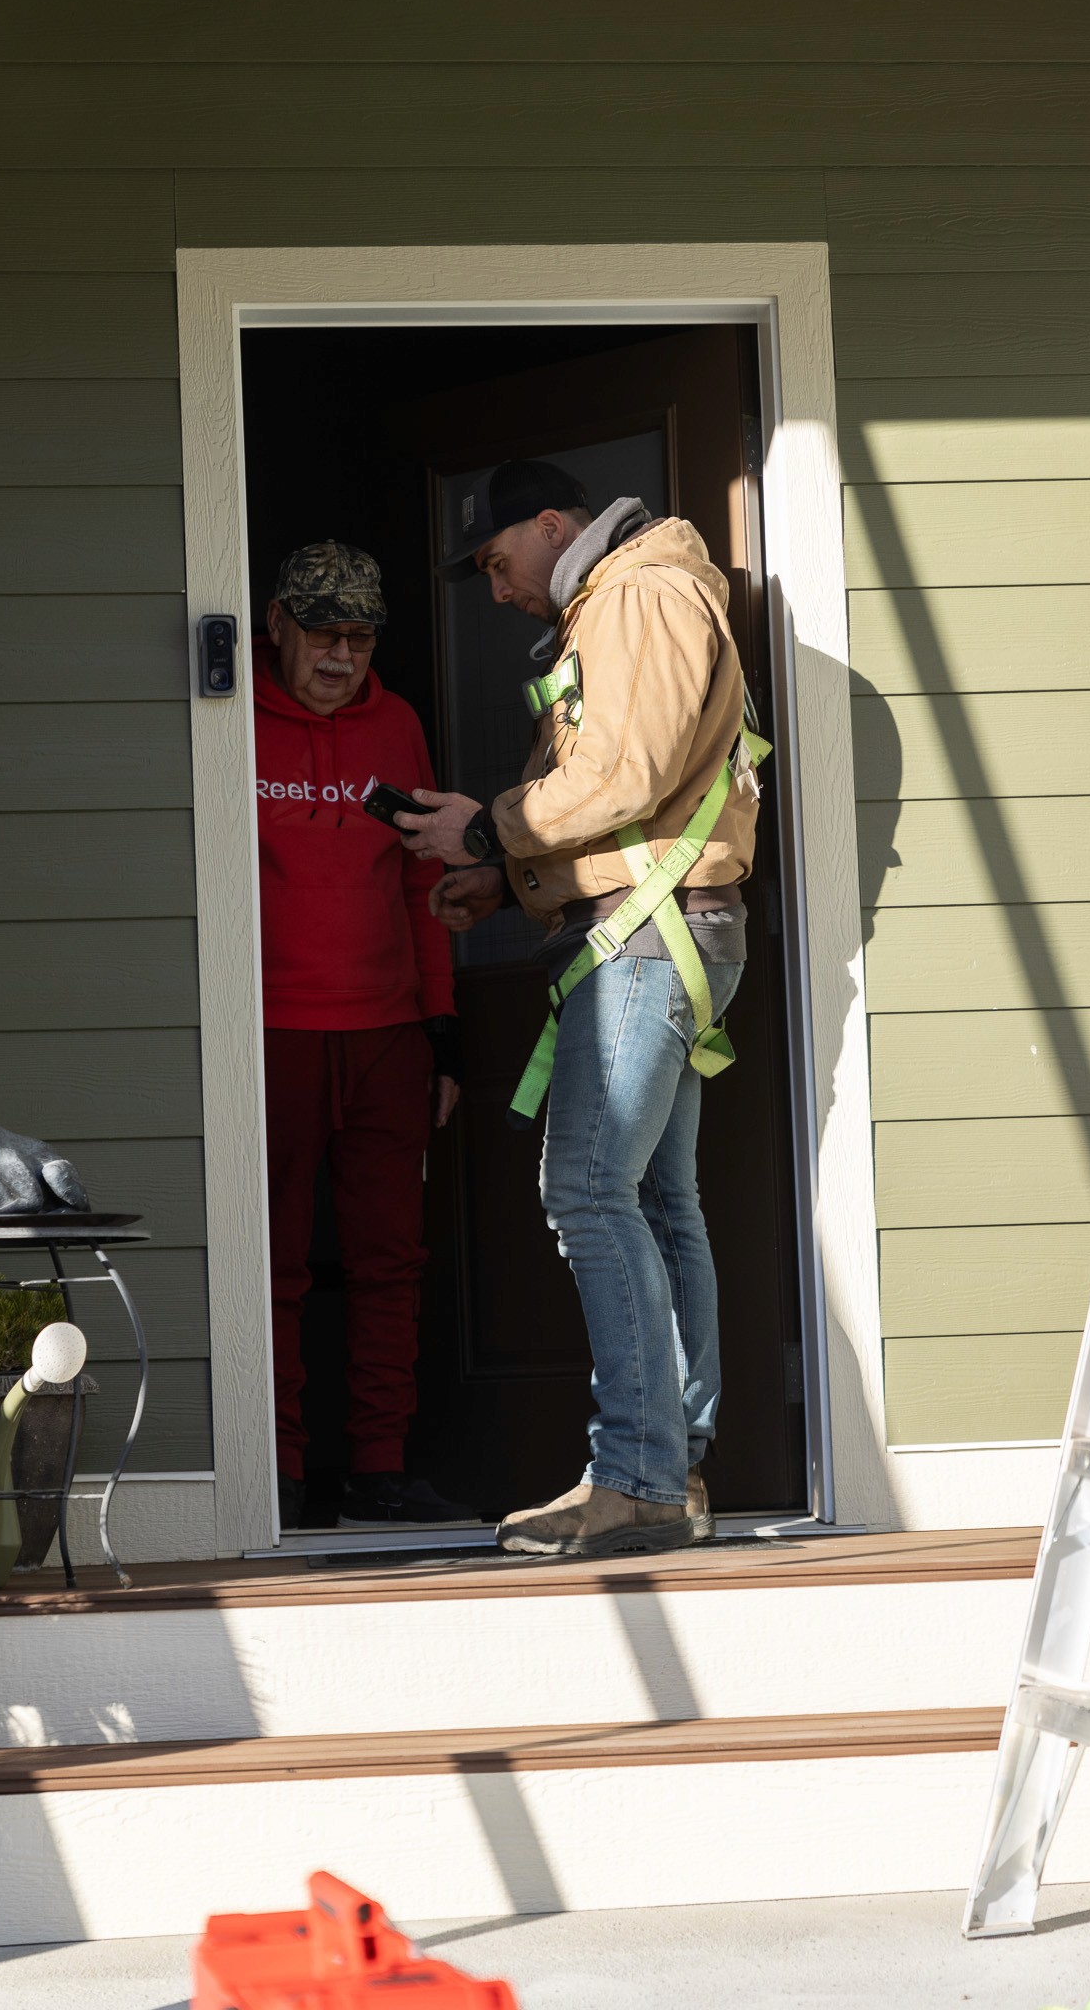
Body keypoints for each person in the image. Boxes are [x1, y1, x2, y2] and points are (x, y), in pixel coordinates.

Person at [395, 461, 761, 1558]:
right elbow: (641, 792)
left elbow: (625, 773)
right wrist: (506, 879)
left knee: (588, 1187)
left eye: (498, 563)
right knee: (654, 1198)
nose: (498, 590)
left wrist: (485, 828)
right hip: (665, 920)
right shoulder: (634, 593)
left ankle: (639, 1476)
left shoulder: (638, 595)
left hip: (651, 935)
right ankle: (671, 1465)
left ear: (551, 524)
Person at [254, 539, 471, 1529]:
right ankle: (281, 1470)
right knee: (275, 1263)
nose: (341, 656)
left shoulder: (399, 724)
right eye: (323, 634)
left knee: (392, 1257)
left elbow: (429, 880)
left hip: (388, 1034)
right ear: (278, 627)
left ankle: (382, 1466)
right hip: (270, 1032)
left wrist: (444, 1032)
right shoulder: (233, 724)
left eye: (359, 636)